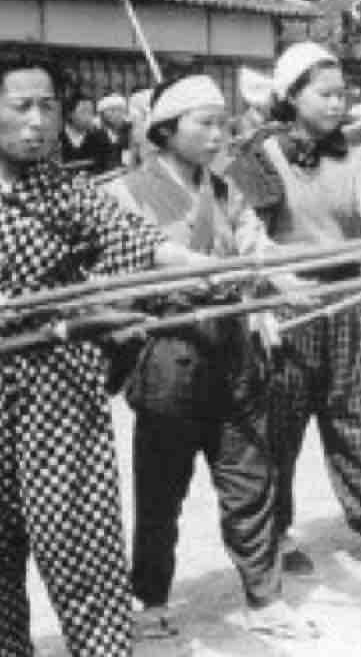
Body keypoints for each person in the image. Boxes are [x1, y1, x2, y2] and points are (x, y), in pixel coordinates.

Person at [0, 55, 211, 656]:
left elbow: (138, 242)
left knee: (79, 536)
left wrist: (206, 266)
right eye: (22, 106)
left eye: (50, 106)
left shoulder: (66, 189)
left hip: (60, 386)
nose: (38, 121)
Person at [104, 74, 317, 641]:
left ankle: (264, 597)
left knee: (250, 481)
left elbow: (254, 244)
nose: (220, 134)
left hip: (231, 348)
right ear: (167, 131)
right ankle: (149, 600)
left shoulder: (226, 190)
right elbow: (123, 263)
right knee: (161, 492)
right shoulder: (127, 191)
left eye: (224, 122)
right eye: (205, 123)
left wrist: (285, 276)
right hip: (169, 353)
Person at [226, 41, 361, 575]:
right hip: (288, 300)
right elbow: (247, 231)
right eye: (325, 94)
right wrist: (273, 289)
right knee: (281, 425)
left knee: (358, 414)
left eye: (343, 94)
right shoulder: (259, 154)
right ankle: (275, 532)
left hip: (342, 297)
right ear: (291, 96)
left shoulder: (354, 156)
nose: (337, 103)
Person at [59, 92, 116, 174]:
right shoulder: (58, 138)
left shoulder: (100, 137)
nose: (88, 117)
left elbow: (109, 166)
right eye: (83, 111)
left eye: (91, 112)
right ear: (70, 114)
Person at [97, 93, 131, 169]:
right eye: (112, 110)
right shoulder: (97, 134)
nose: (117, 114)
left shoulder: (129, 132)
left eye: (120, 110)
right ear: (102, 115)